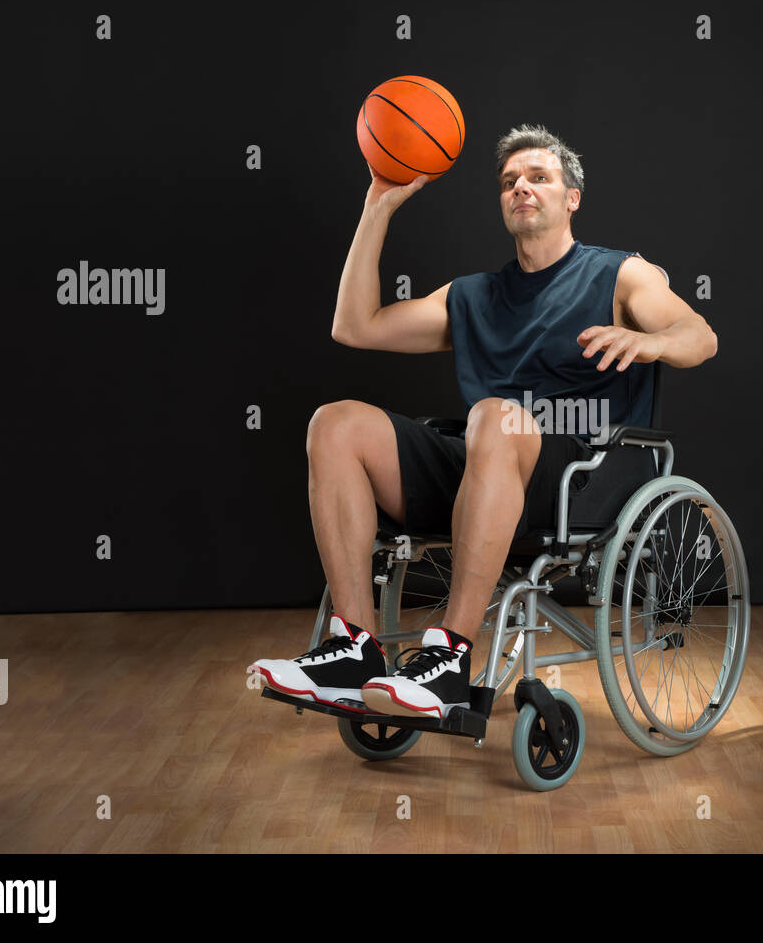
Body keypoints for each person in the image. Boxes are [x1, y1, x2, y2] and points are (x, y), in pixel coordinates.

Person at [250, 123, 717, 720]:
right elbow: (353, 326)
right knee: (334, 423)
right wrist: (377, 207)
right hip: (484, 460)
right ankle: (352, 648)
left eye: (538, 177)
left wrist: (644, 342)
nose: (521, 186)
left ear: (571, 197)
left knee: (496, 418)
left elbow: (700, 337)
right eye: (508, 181)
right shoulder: (472, 296)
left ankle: (449, 657)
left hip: (582, 476)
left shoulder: (619, 276)